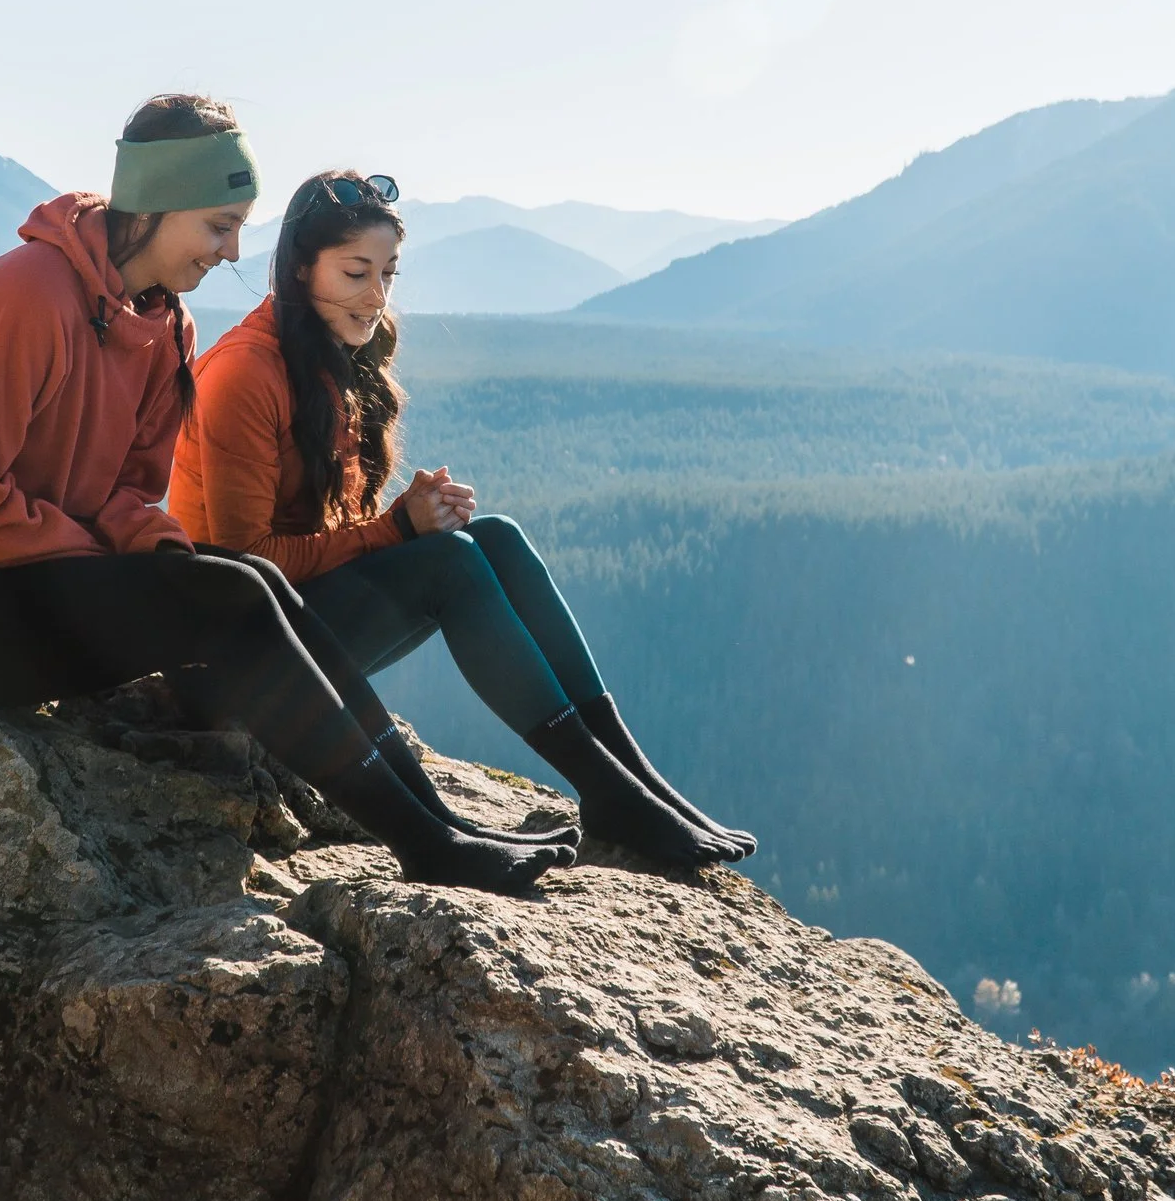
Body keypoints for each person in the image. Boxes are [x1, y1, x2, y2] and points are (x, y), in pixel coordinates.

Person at [0, 96, 574, 895]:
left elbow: (126, 493)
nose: (230, 252)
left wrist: (159, 554)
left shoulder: (165, 327)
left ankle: (438, 823)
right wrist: (117, 564)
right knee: (229, 598)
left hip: (25, 581)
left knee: (244, 581)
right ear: (156, 203)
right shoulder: (23, 296)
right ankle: (428, 844)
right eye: (218, 224)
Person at [167, 169, 755, 869]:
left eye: (388, 273)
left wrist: (406, 520)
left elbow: (323, 537)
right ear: (300, 267)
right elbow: (244, 562)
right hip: (233, 666)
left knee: (494, 538)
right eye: (357, 271)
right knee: (449, 564)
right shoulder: (245, 373)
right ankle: (612, 793)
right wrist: (397, 531)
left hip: (296, 641)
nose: (376, 295)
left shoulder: (329, 357)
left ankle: (629, 782)